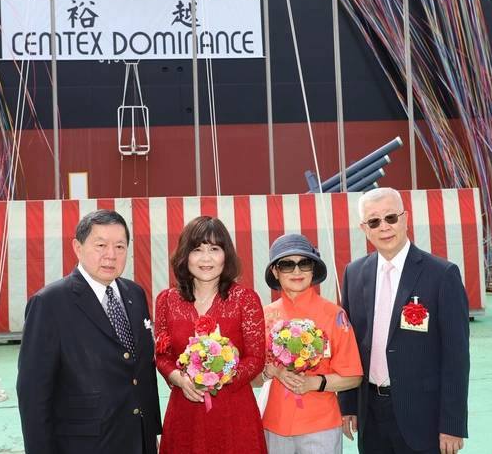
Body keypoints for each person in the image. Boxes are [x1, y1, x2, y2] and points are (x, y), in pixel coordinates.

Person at [16, 209, 161, 454]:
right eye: (101, 245)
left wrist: (150, 431)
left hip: (138, 439)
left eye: (120, 246)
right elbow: (33, 393)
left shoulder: (135, 294)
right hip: (84, 444)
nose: (111, 255)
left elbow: (143, 371)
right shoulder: (50, 303)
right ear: (78, 247)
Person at [338, 187, 469, 454]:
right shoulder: (354, 273)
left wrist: (452, 424)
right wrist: (348, 404)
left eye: (390, 217)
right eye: (374, 221)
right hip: (370, 414)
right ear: (364, 228)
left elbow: (456, 356)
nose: (384, 227)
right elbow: (349, 346)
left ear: (405, 218)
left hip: (423, 417)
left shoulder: (442, 274)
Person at [154, 216, 267, 454]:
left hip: (234, 412)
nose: (206, 258)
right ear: (185, 255)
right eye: (197, 249)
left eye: (214, 249)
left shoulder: (245, 299)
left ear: (226, 255)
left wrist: (219, 378)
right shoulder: (167, 300)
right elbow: (162, 356)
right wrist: (179, 379)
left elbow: (256, 358)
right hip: (185, 409)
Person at [258, 233, 364, 454]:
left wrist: (314, 383)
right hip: (273, 424)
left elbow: (353, 376)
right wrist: (272, 371)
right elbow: (252, 379)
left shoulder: (334, 315)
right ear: (275, 272)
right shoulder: (263, 316)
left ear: (313, 269)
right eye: (287, 265)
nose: (297, 271)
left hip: (320, 425)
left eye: (304, 263)